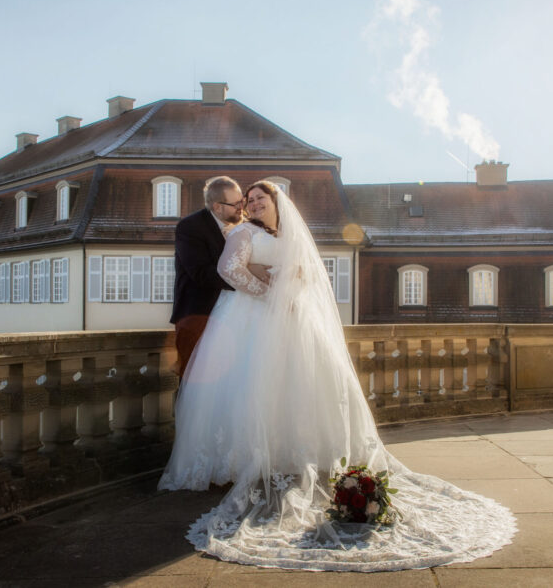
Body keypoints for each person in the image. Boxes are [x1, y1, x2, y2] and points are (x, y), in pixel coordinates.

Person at [159, 181, 517, 572]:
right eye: (249, 200)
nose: (253, 204)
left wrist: (290, 289)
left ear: (277, 201)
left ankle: (297, 452)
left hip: (292, 321)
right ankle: (242, 460)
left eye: (261, 198)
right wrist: (270, 294)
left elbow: (308, 277)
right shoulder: (243, 232)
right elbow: (227, 269)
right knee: (250, 388)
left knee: (297, 387)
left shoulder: (292, 236)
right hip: (250, 319)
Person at [169, 176, 245, 379]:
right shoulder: (190, 227)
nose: (242, 208)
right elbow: (201, 273)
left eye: (242, 201)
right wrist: (248, 280)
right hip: (197, 316)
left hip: (234, 318)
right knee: (193, 380)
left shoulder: (245, 227)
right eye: (236, 204)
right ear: (217, 207)